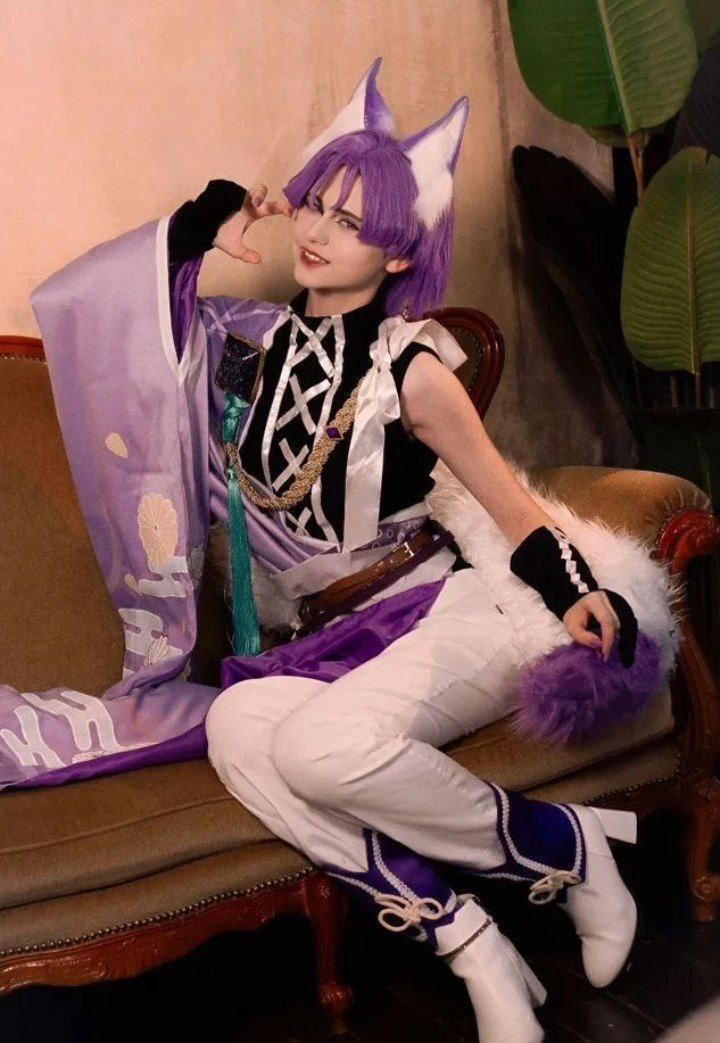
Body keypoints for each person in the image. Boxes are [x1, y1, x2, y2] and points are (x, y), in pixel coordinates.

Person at [168, 59, 640, 1043]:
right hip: (326, 639)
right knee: (237, 728)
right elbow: (132, 322)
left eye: (350, 221)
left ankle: (566, 849)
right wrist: (216, 214)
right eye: (314, 204)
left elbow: (505, 501)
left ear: (394, 256)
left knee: (314, 747)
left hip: (444, 611)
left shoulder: (414, 368)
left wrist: (578, 592)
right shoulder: (249, 344)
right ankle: (469, 938)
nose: (316, 230)